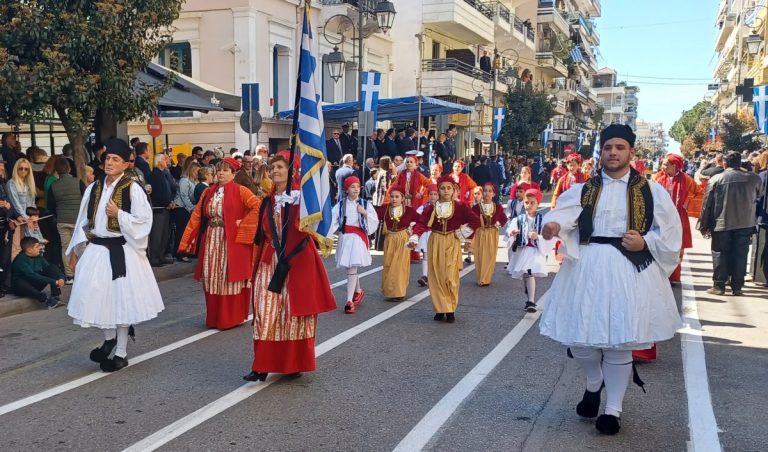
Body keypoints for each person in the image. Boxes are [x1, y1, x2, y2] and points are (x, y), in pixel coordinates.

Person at [538, 124, 683, 435]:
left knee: (620, 342)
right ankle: (594, 381)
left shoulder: (652, 191)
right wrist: (552, 226)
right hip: (587, 267)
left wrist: (646, 243)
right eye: (608, 148)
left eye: (619, 147)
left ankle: (612, 409)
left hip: (629, 269)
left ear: (631, 151)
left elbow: (670, 233)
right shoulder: (584, 188)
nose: (613, 152)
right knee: (580, 341)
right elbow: (564, 213)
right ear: (601, 151)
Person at [66, 138, 164, 372]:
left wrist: (118, 213)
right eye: (108, 158)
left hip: (122, 251)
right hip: (97, 250)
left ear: (126, 164)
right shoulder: (94, 187)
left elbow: (144, 222)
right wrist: (75, 249)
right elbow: (83, 220)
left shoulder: (132, 189)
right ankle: (109, 338)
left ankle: (120, 352)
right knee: (98, 298)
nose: (109, 162)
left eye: (115, 159)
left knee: (122, 302)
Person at [238, 151, 336, 382]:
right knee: (264, 310)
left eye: (280, 167)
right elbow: (260, 235)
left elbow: (315, 224)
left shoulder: (303, 199)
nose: (275, 172)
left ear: (290, 170)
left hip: (297, 260)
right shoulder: (267, 201)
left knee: (293, 315)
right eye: (272, 168)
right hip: (271, 261)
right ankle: (261, 365)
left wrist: (298, 206)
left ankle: (293, 363)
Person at [178, 157, 261, 329]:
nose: (221, 173)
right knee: (211, 276)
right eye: (219, 170)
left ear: (234, 173)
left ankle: (230, 317)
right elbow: (196, 216)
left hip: (230, 239)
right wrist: (186, 240)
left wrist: (243, 223)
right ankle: (215, 317)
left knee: (227, 276)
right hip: (211, 238)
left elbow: (257, 206)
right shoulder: (208, 192)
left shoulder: (241, 191)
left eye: (225, 170)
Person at [416, 175, 480, 323]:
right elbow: (421, 223)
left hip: (452, 241)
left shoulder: (460, 206)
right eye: (443, 188)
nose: (446, 191)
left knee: (450, 277)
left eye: (449, 188)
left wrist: (463, 232)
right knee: (436, 276)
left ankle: (450, 308)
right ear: (438, 190)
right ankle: (440, 308)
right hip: (436, 240)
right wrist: (415, 237)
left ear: (454, 190)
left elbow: (475, 221)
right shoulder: (431, 207)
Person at [699, 151, 763, 296]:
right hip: (745, 222)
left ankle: (719, 285)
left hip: (722, 222)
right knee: (741, 254)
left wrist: (703, 225)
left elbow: (707, 204)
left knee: (720, 252)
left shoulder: (716, 179)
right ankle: (737, 286)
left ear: (724, 163)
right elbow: (759, 196)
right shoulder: (754, 178)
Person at [329, 176, 379, 314]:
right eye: (352, 187)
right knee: (350, 266)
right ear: (346, 189)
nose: (356, 189)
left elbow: (374, 220)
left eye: (357, 186)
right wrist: (327, 235)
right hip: (345, 238)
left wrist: (364, 213)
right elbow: (333, 220)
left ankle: (349, 301)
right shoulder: (340, 204)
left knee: (352, 267)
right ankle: (358, 290)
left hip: (357, 238)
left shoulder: (364, 203)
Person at [652, 153, 701, 283]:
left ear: (674, 166)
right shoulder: (658, 178)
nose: (663, 167)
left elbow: (699, 192)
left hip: (679, 218)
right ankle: (661, 276)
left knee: (677, 247)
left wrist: (687, 203)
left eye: (666, 164)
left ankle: (674, 276)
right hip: (661, 218)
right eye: (663, 164)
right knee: (660, 244)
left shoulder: (686, 179)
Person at [506, 188, 553, 312]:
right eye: (527, 202)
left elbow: (549, 237)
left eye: (532, 202)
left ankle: (531, 302)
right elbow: (510, 230)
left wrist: (538, 237)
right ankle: (528, 287)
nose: (529, 205)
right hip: (523, 250)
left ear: (538, 204)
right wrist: (512, 232)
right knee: (525, 273)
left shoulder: (544, 220)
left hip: (535, 251)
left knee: (529, 272)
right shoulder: (519, 219)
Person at [377, 184, 420, 301]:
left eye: (397, 197)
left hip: (403, 239)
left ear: (402, 198)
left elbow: (421, 221)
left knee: (400, 266)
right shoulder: (384, 209)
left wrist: (413, 231)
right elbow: (372, 215)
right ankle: (389, 290)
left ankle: (399, 292)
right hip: (389, 239)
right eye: (392, 196)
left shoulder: (409, 211)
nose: (394, 199)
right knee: (389, 264)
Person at [47, 157, 85, 283]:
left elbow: (50, 206)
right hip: (78, 220)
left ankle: (69, 276)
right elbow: (86, 200)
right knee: (80, 246)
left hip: (62, 220)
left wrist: (58, 214)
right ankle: (82, 272)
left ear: (57, 171)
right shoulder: (78, 181)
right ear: (69, 168)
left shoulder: (54, 185)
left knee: (66, 247)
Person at [11, 236, 64, 308]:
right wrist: (54, 281)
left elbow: (49, 268)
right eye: (37, 246)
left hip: (34, 284)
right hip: (23, 288)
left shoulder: (38, 256)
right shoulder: (20, 260)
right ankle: (47, 301)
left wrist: (61, 278)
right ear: (29, 250)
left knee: (52, 268)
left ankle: (55, 297)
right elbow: (32, 275)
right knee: (19, 282)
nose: (40, 248)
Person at [471, 183, 507, 287]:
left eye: (490, 191)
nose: (487, 193)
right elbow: (471, 220)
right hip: (480, 233)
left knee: (490, 256)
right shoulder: (476, 208)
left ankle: (485, 278)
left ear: (494, 194)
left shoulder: (498, 207)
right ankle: (480, 277)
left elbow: (503, 219)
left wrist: (498, 224)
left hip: (492, 233)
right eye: (485, 191)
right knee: (480, 255)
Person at [147, 154, 176, 267]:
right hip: (159, 209)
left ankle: (161, 255)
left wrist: (171, 201)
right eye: (164, 159)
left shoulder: (164, 173)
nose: (166, 160)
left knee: (164, 234)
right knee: (157, 234)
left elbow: (170, 189)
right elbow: (157, 193)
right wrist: (167, 202)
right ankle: (155, 257)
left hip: (166, 207)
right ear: (158, 162)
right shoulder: (155, 175)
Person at [7, 158, 36, 260]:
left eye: (26, 169)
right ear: (16, 169)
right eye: (21, 168)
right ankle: (15, 273)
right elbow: (15, 203)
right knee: (16, 247)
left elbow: (31, 203)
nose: (23, 171)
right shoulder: (12, 183)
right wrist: (26, 218)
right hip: (16, 219)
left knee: (28, 247)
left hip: (26, 219)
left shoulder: (28, 184)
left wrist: (34, 216)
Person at [172, 160, 200, 263]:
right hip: (182, 209)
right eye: (196, 171)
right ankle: (179, 253)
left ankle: (186, 251)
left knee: (187, 232)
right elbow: (184, 196)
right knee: (181, 232)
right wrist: (191, 208)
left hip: (188, 208)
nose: (198, 173)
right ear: (192, 170)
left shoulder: (193, 180)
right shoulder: (184, 180)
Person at [416, 184, 439, 287]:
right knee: (426, 254)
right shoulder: (423, 207)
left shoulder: (443, 207)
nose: (433, 196)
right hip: (427, 233)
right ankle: (424, 276)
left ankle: (436, 276)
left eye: (435, 194)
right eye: (431, 194)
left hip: (438, 234)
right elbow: (417, 217)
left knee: (437, 256)